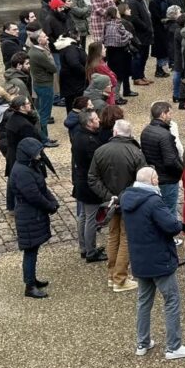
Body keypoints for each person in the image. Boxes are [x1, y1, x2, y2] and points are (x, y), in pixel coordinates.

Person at [121, 166, 185, 360]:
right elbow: (171, 226)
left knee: (144, 301)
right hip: (159, 259)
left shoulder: (126, 198)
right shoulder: (153, 201)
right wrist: (181, 224)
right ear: (153, 180)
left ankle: (142, 342)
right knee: (171, 301)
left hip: (139, 258)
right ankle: (174, 346)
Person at [88, 119, 147, 292]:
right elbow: (142, 181)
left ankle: (112, 275)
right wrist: (123, 198)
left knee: (113, 236)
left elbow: (92, 178)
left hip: (110, 203)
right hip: (128, 203)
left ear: (114, 132)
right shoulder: (136, 153)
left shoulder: (100, 151)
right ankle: (120, 278)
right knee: (126, 238)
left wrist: (109, 197)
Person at [9, 138, 59, 299]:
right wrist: (50, 206)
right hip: (29, 215)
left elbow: (41, 188)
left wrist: (52, 201)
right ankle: (29, 286)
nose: (40, 154)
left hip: (32, 214)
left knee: (33, 250)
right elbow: (34, 195)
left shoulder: (28, 166)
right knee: (30, 251)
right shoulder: (23, 171)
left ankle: (32, 279)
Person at [71, 109, 106, 262]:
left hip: (80, 180)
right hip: (88, 184)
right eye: (96, 119)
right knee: (90, 218)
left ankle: (84, 248)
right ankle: (91, 251)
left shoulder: (78, 135)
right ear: (89, 123)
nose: (99, 120)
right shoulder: (90, 141)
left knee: (83, 217)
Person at [140, 101, 184, 219]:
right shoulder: (165, 135)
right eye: (170, 113)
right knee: (169, 212)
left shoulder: (146, 130)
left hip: (154, 177)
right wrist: (181, 171)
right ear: (163, 115)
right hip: (167, 180)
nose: (171, 116)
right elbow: (171, 161)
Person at [26, 30, 59, 144]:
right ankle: (44, 139)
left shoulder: (35, 51)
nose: (47, 38)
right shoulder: (39, 54)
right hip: (44, 85)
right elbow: (53, 68)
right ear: (39, 40)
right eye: (45, 37)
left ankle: (43, 137)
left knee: (42, 111)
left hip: (41, 84)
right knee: (44, 113)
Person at [56, 35, 87, 113]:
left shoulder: (66, 47)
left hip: (71, 82)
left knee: (71, 105)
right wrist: (85, 72)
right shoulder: (71, 48)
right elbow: (74, 64)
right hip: (74, 83)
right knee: (74, 105)